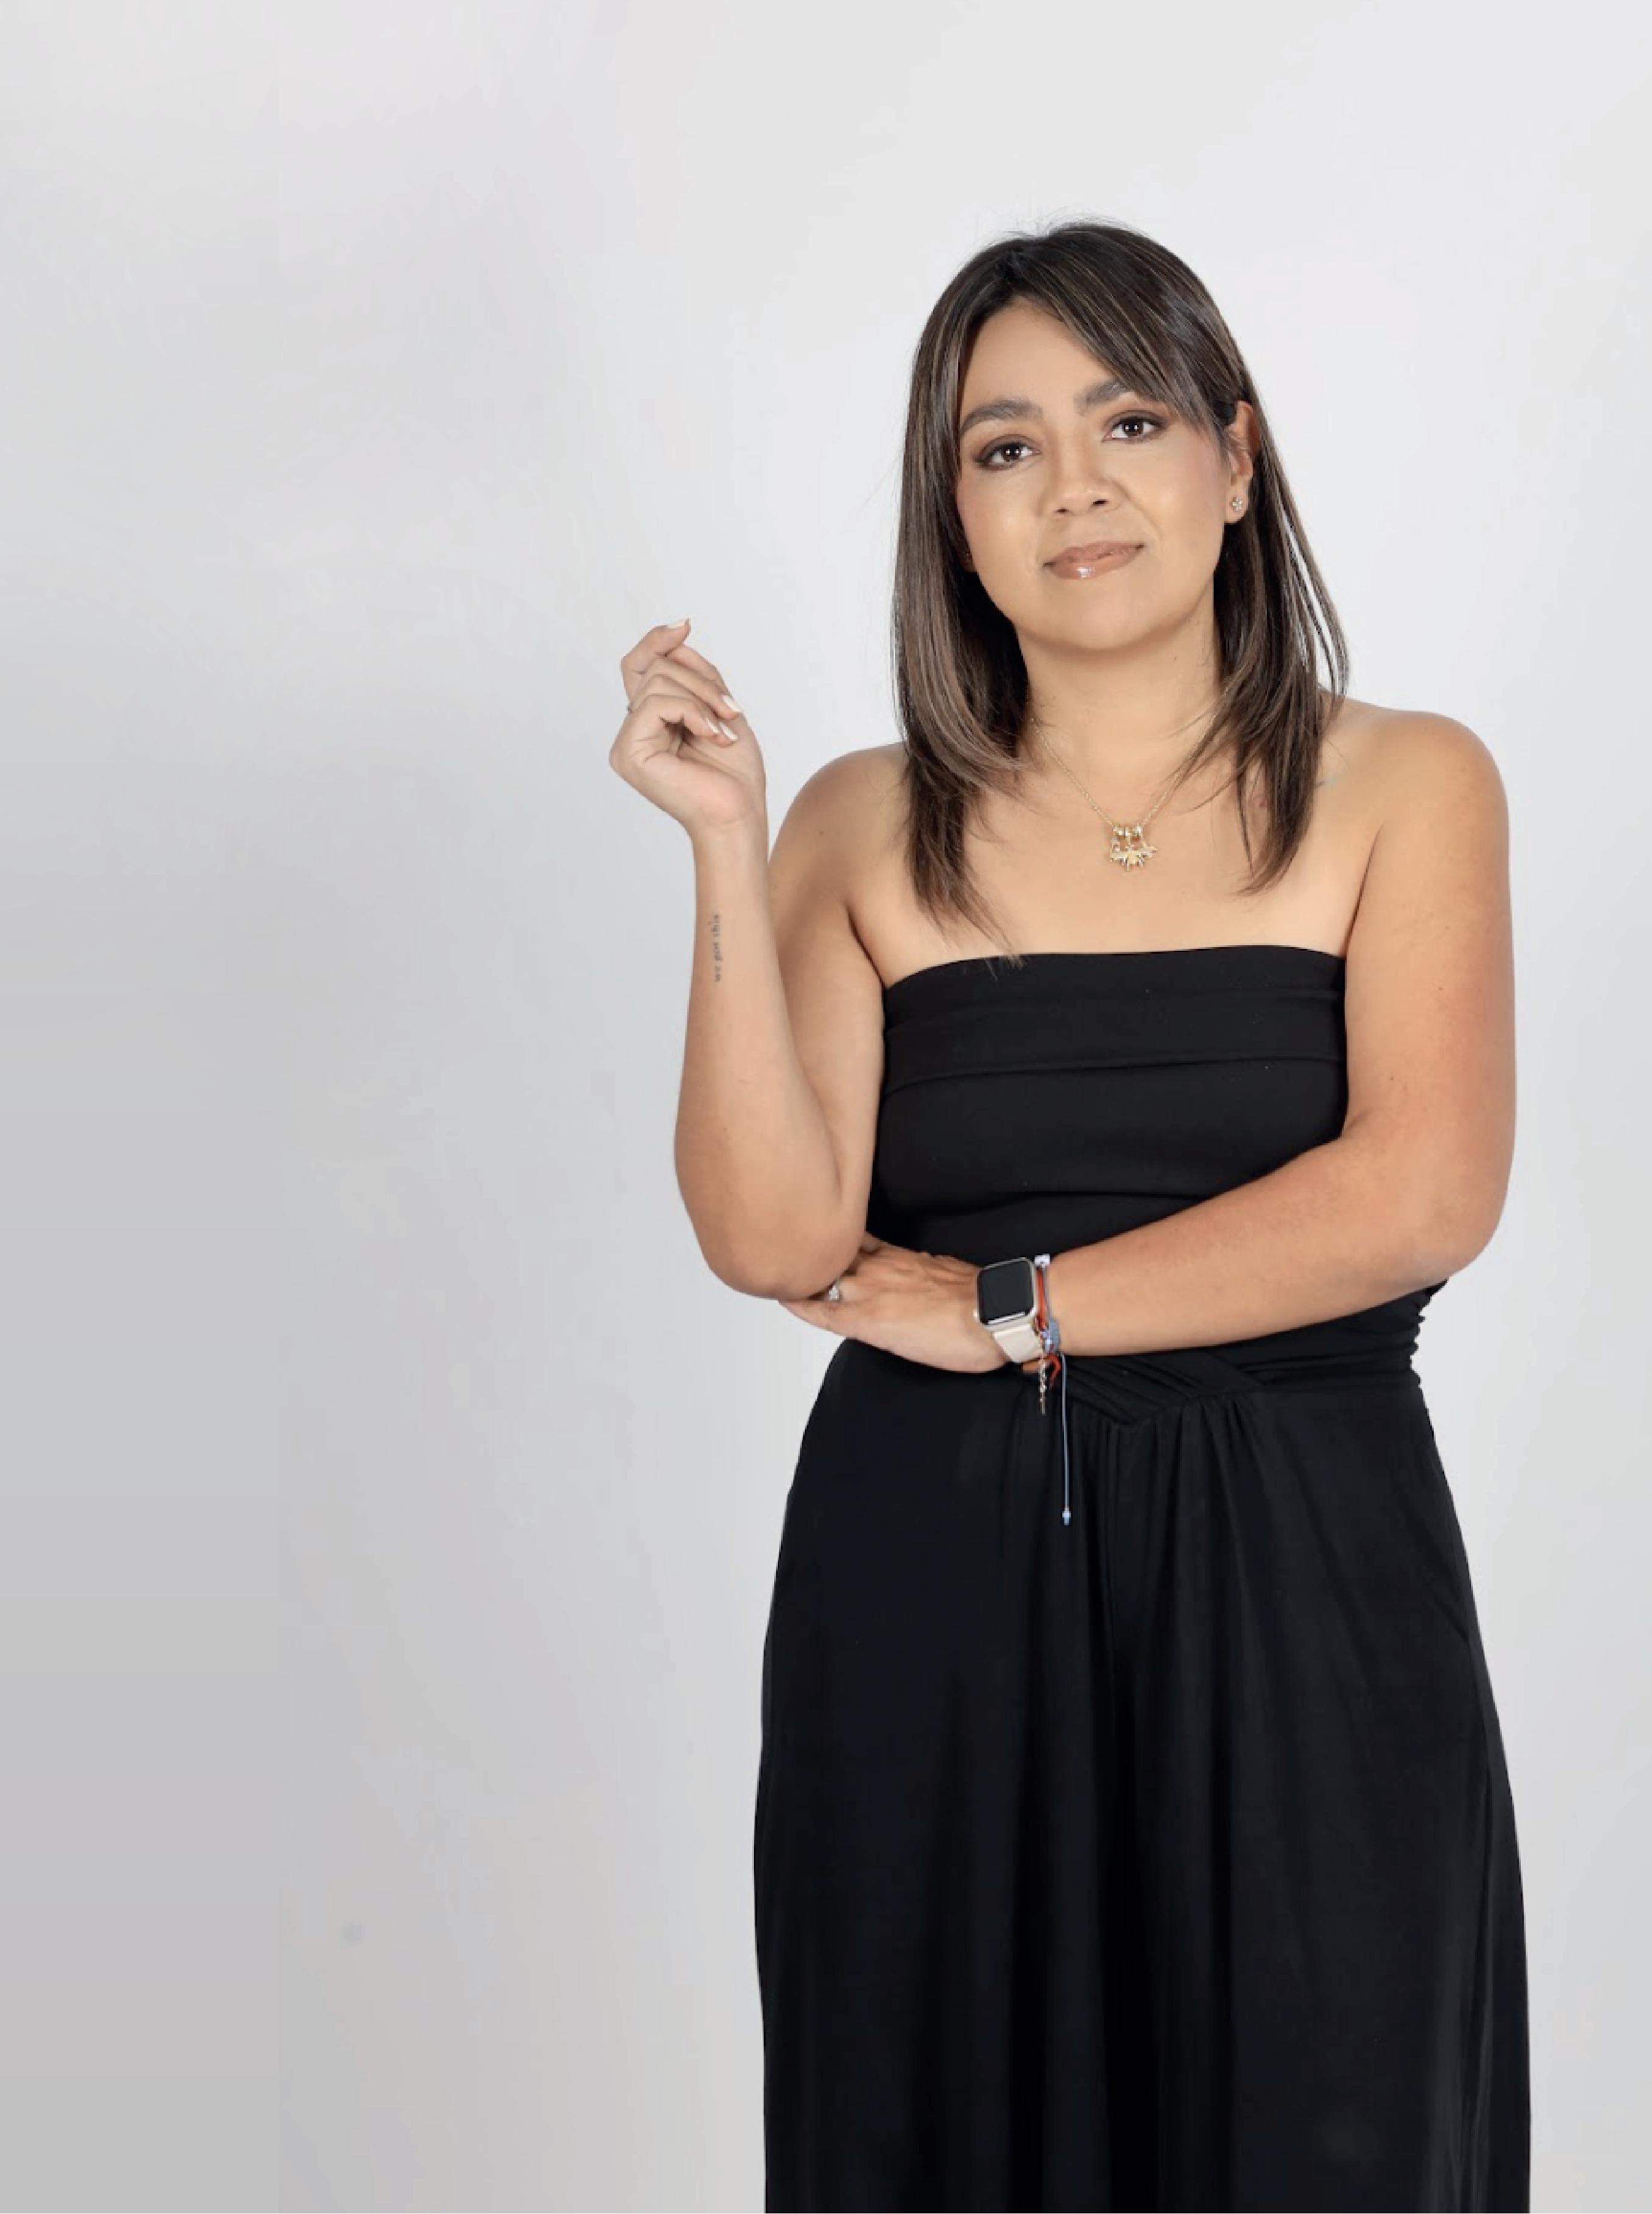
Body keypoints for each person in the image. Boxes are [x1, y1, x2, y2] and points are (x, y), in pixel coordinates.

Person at [608, 220, 1529, 2213]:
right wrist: (722, 845)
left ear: (1234, 457)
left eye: (1126, 422)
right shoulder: (857, 818)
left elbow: (1419, 1190)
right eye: (1003, 447)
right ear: (950, 515)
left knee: (1335, 2131)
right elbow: (772, 1234)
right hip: (932, 1584)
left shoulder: (1402, 783)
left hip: (1306, 1574)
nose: (1073, 488)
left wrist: (1014, 1305)